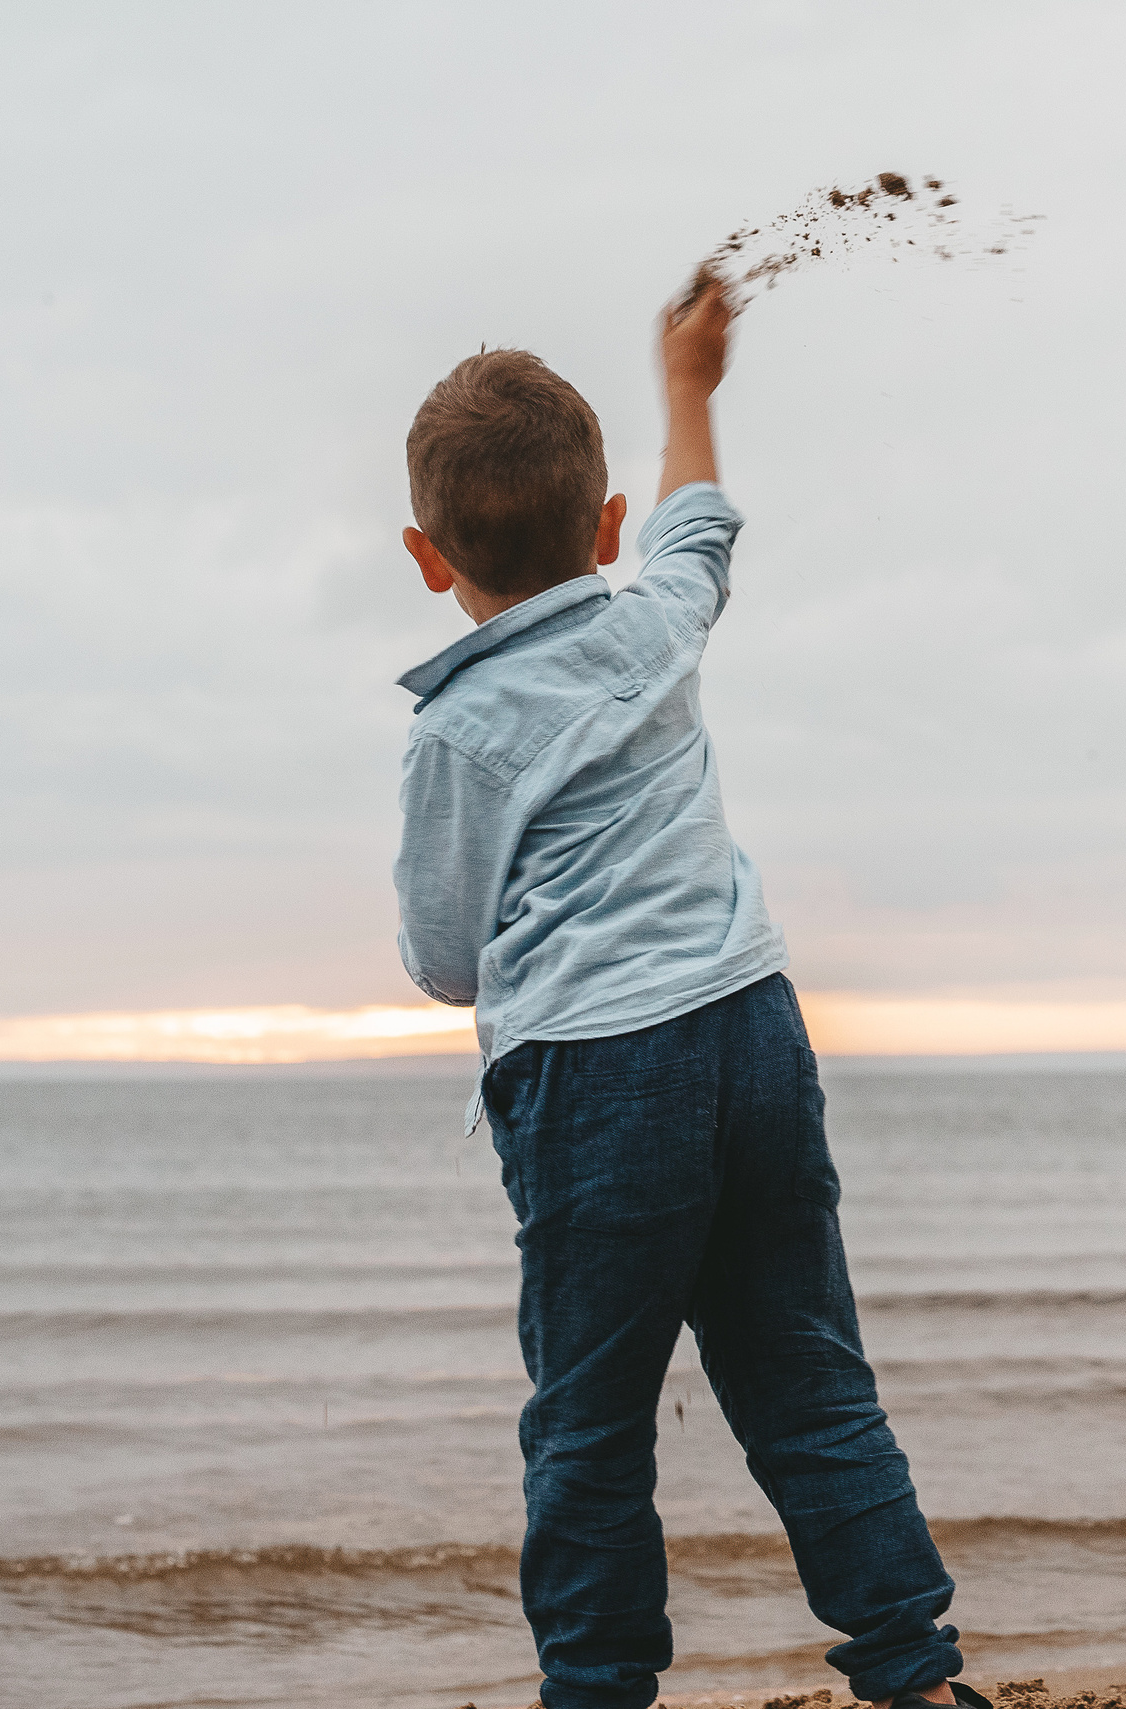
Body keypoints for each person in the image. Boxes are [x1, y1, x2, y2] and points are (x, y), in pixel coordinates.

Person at [391, 278, 985, 1709]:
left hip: (597, 1077)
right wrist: (690, 386)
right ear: (603, 528)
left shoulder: (460, 733)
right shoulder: (653, 616)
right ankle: (914, 1678)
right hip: (750, 1032)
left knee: (590, 1427)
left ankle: (598, 1693)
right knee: (808, 1379)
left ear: (426, 557)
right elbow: (701, 523)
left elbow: (441, 956)